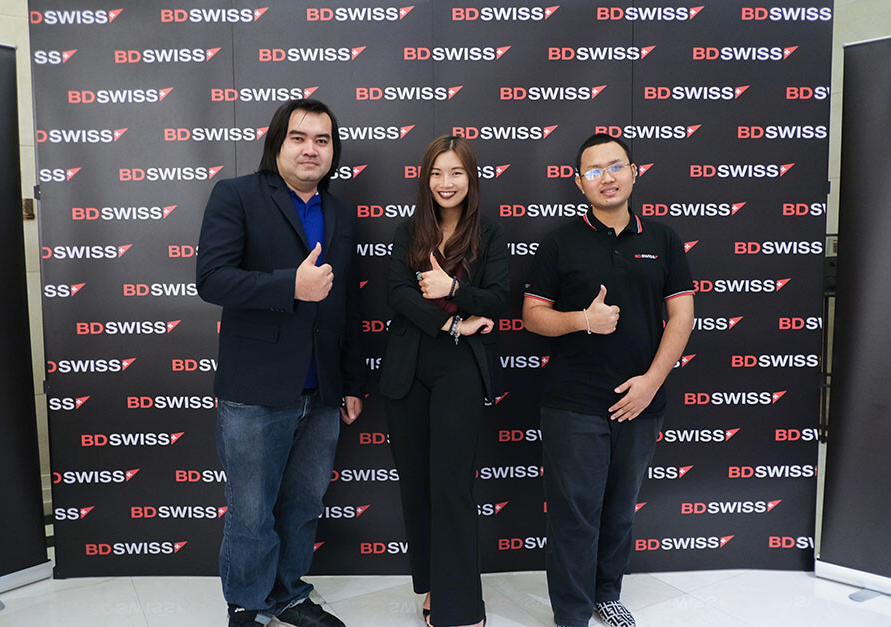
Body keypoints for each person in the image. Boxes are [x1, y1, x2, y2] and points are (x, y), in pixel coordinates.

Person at [196, 99, 366, 627]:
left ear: (333, 151)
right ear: (277, 143)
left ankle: (288, 594)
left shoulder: (339, 213)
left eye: (322, 140)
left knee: (303, 505)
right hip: (255, 389)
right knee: (251, 511)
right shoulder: (237, 195)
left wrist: (351, 382)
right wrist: (290, 285)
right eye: (299, 137)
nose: (310, 149)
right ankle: (247, 604)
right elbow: (212, 279)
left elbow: (346, 304)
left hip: (322, 391)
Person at [522, 133, 694, 627]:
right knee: (574, 515)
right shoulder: (559, 242)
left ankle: (607, 594)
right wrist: (583, 320)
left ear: (634, 173)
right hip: (573, 403)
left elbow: (682, 317)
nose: (607, 177)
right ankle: (572, 613)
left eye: (616, 166)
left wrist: (651, 383)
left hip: (641, 400)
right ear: (579, 183)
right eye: (594, 171)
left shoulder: (663, 239)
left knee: (620, 511)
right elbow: (533, 316)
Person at [380, 135, 509, 627]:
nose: (446, 182)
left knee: (452, 485)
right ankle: (434, 587)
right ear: (425, 179)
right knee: (417, 485)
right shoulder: (409, 230)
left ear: (470, 178)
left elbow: (497, 300)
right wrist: (453, 319)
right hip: (409, 367)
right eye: (437, 173)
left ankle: (463, 607)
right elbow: (396, 293)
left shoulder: (489, 233)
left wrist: (453, 287)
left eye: (456, 172)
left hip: (459, 369)